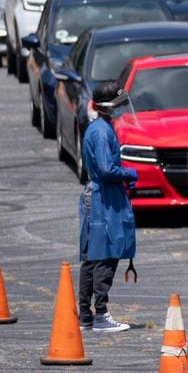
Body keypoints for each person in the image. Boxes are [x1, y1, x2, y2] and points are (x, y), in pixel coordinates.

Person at [77, 82, 138, 333]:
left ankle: (85, 315)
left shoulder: (99, 127)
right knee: (104, 253)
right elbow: (104, 168)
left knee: (94, 255)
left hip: (103, 194)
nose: (121, 109)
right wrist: (126, 172)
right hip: (102, 196)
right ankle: (100, 314)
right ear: (107, 106)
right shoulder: (101, 132)